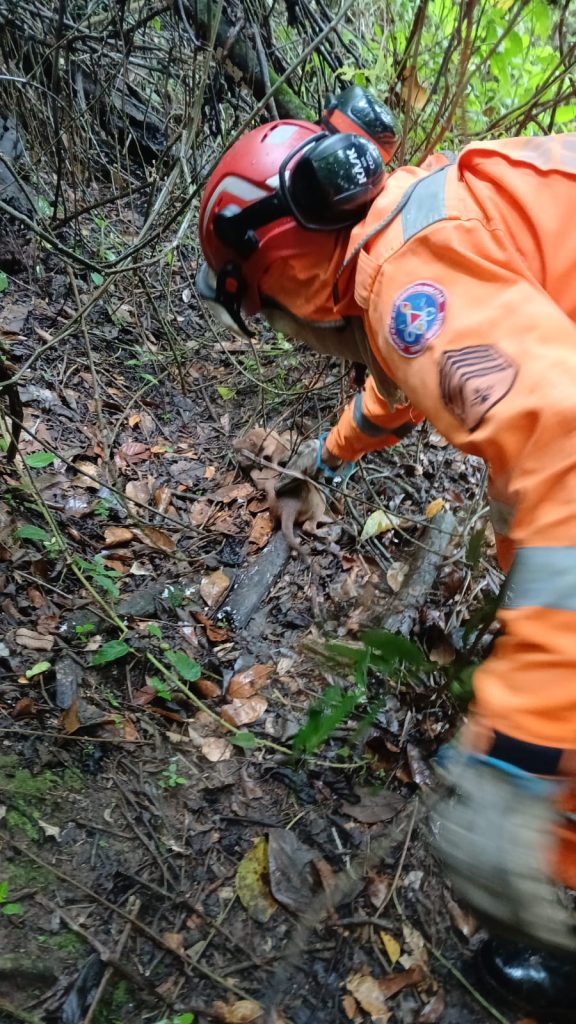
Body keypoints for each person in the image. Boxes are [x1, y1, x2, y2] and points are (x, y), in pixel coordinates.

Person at [196, 87, 576, 1020]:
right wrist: (323, 461)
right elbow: (409, 382)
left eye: (275, 320)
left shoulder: (410, 277)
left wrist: (513, 755)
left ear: (280, 277)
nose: (293, 339)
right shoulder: (414, 233)